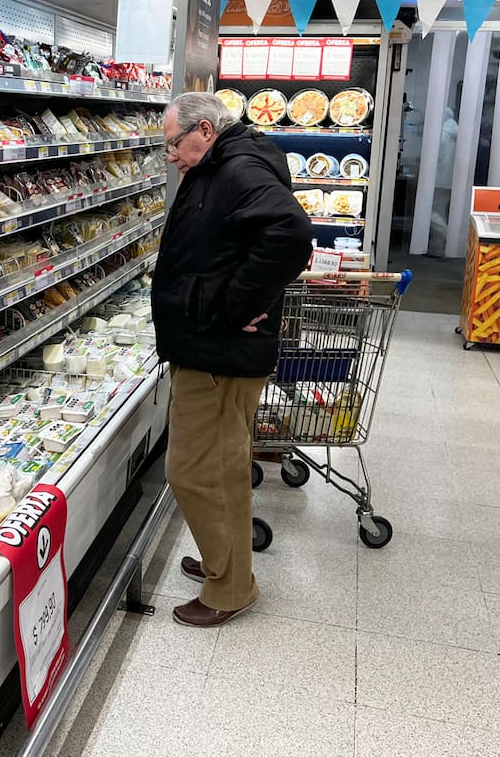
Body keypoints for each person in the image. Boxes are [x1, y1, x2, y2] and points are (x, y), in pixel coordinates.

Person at [151, 92, 313, 627]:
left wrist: (239, 304)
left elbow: (289, 233)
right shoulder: (223, 160)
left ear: (203, 129)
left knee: (197, 472)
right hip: (209, 344)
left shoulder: (238, 168)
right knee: (217, 468)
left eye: (174, 144)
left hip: (219, 352)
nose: (170, 156)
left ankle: (231, 589)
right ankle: (225, 562)